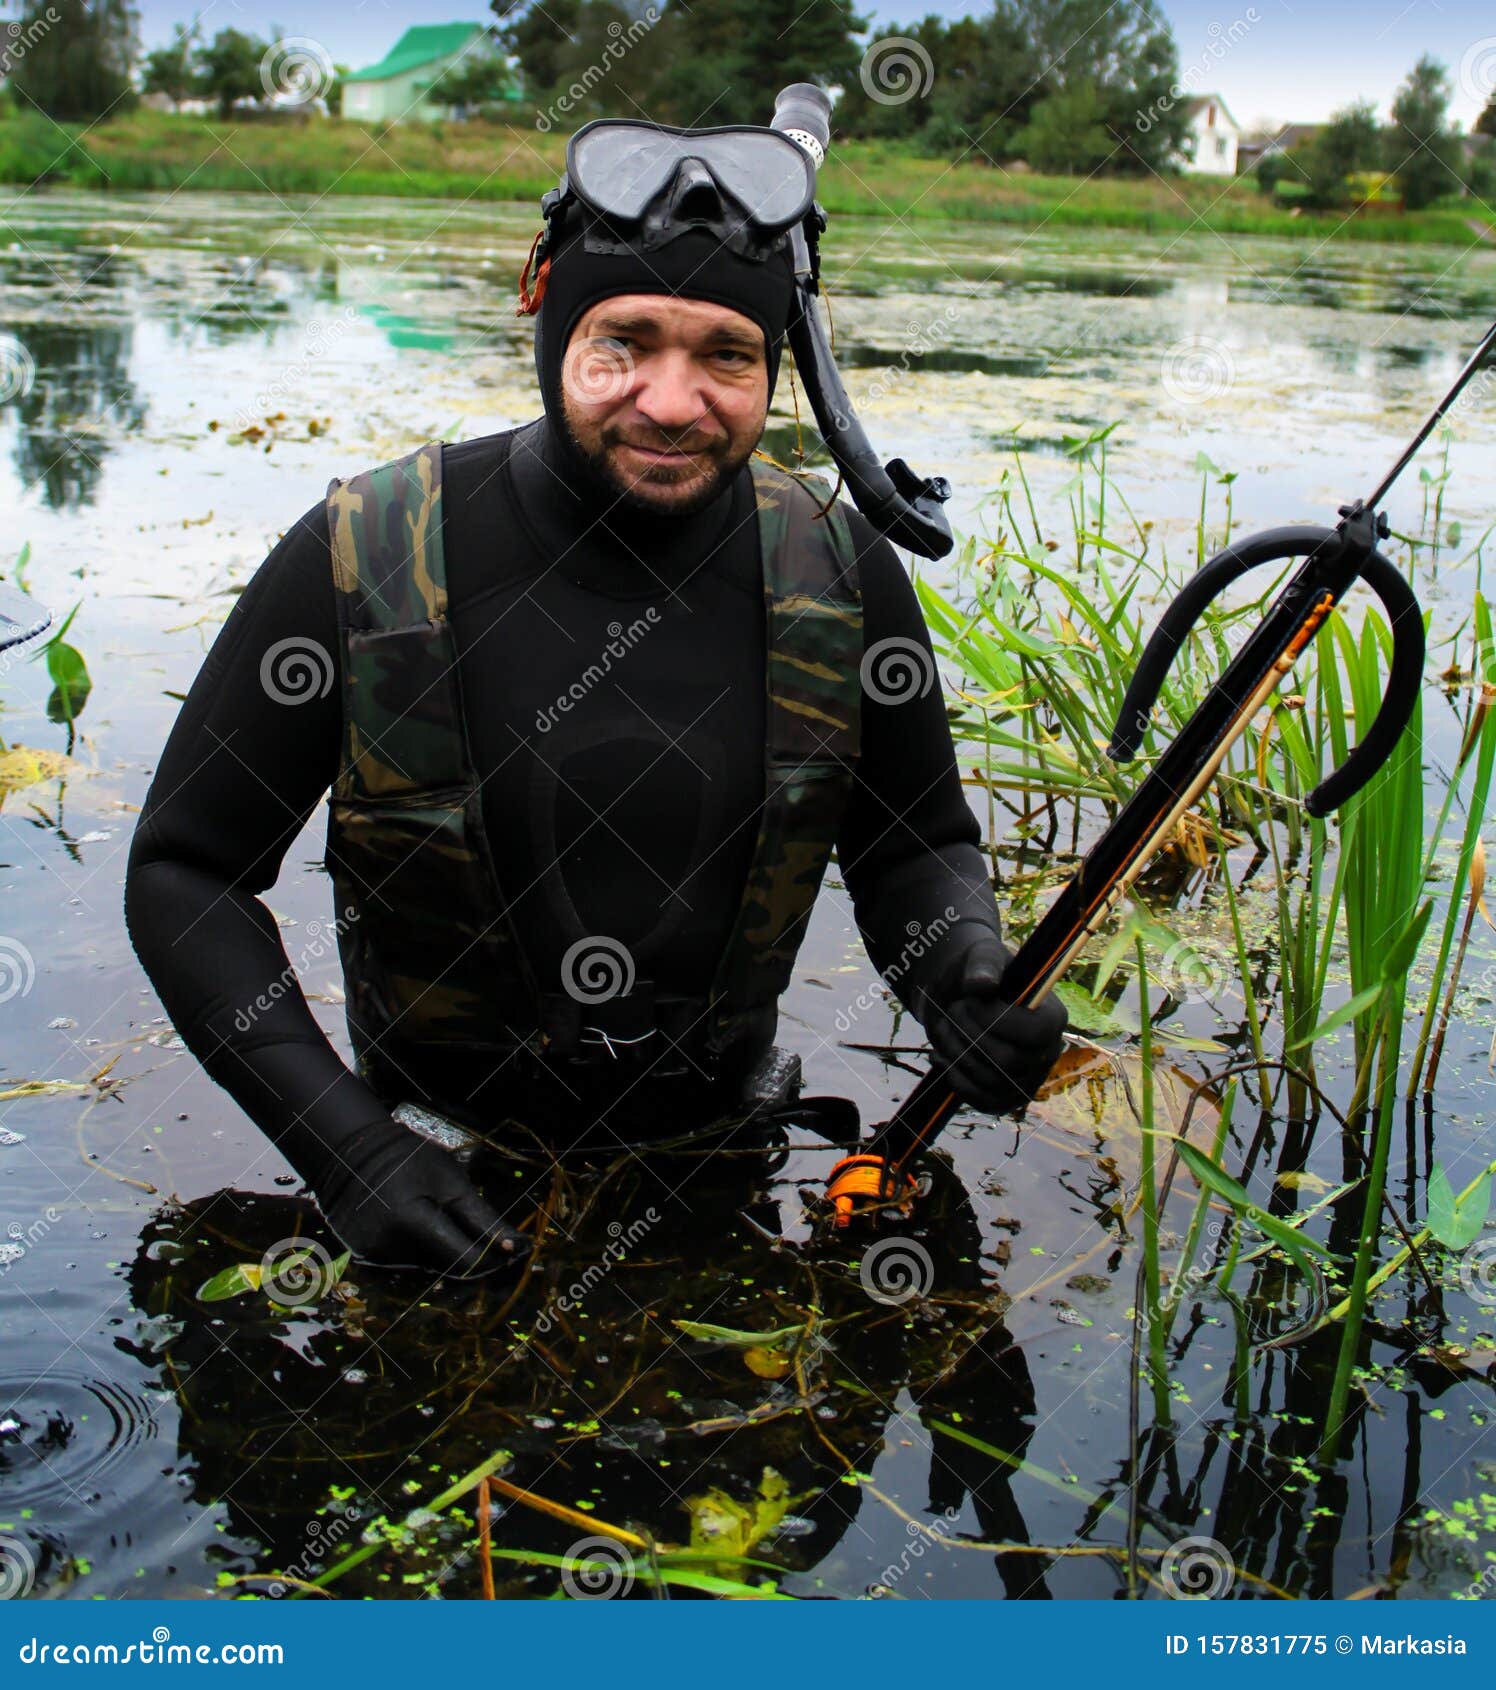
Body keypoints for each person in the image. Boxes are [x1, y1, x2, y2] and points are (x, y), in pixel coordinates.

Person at [123, 107, 1066, 1282]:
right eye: (624, 339)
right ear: (548, 323)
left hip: (720, 1157)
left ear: (775, 368)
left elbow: (912, 843)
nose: (671, 401)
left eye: (725, 353)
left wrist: (960, 971)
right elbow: (185, 873)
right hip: (430, 1176)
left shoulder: (837, 565)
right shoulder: (365, 552)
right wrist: (343, 1149)